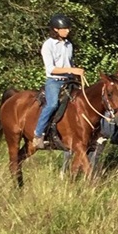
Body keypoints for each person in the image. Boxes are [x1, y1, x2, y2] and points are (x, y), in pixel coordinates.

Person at [32, 13, 85, 151]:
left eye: (68, 28)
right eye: (65, 28)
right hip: (54, 81)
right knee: (52, 104)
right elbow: (51, 69)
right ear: (56, 29)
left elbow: (69, 63)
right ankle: (38, 134)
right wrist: (72, 70)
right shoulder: (48, 45)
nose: (68, 31)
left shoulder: (69, 45)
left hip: (69, 80)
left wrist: (76, 73)